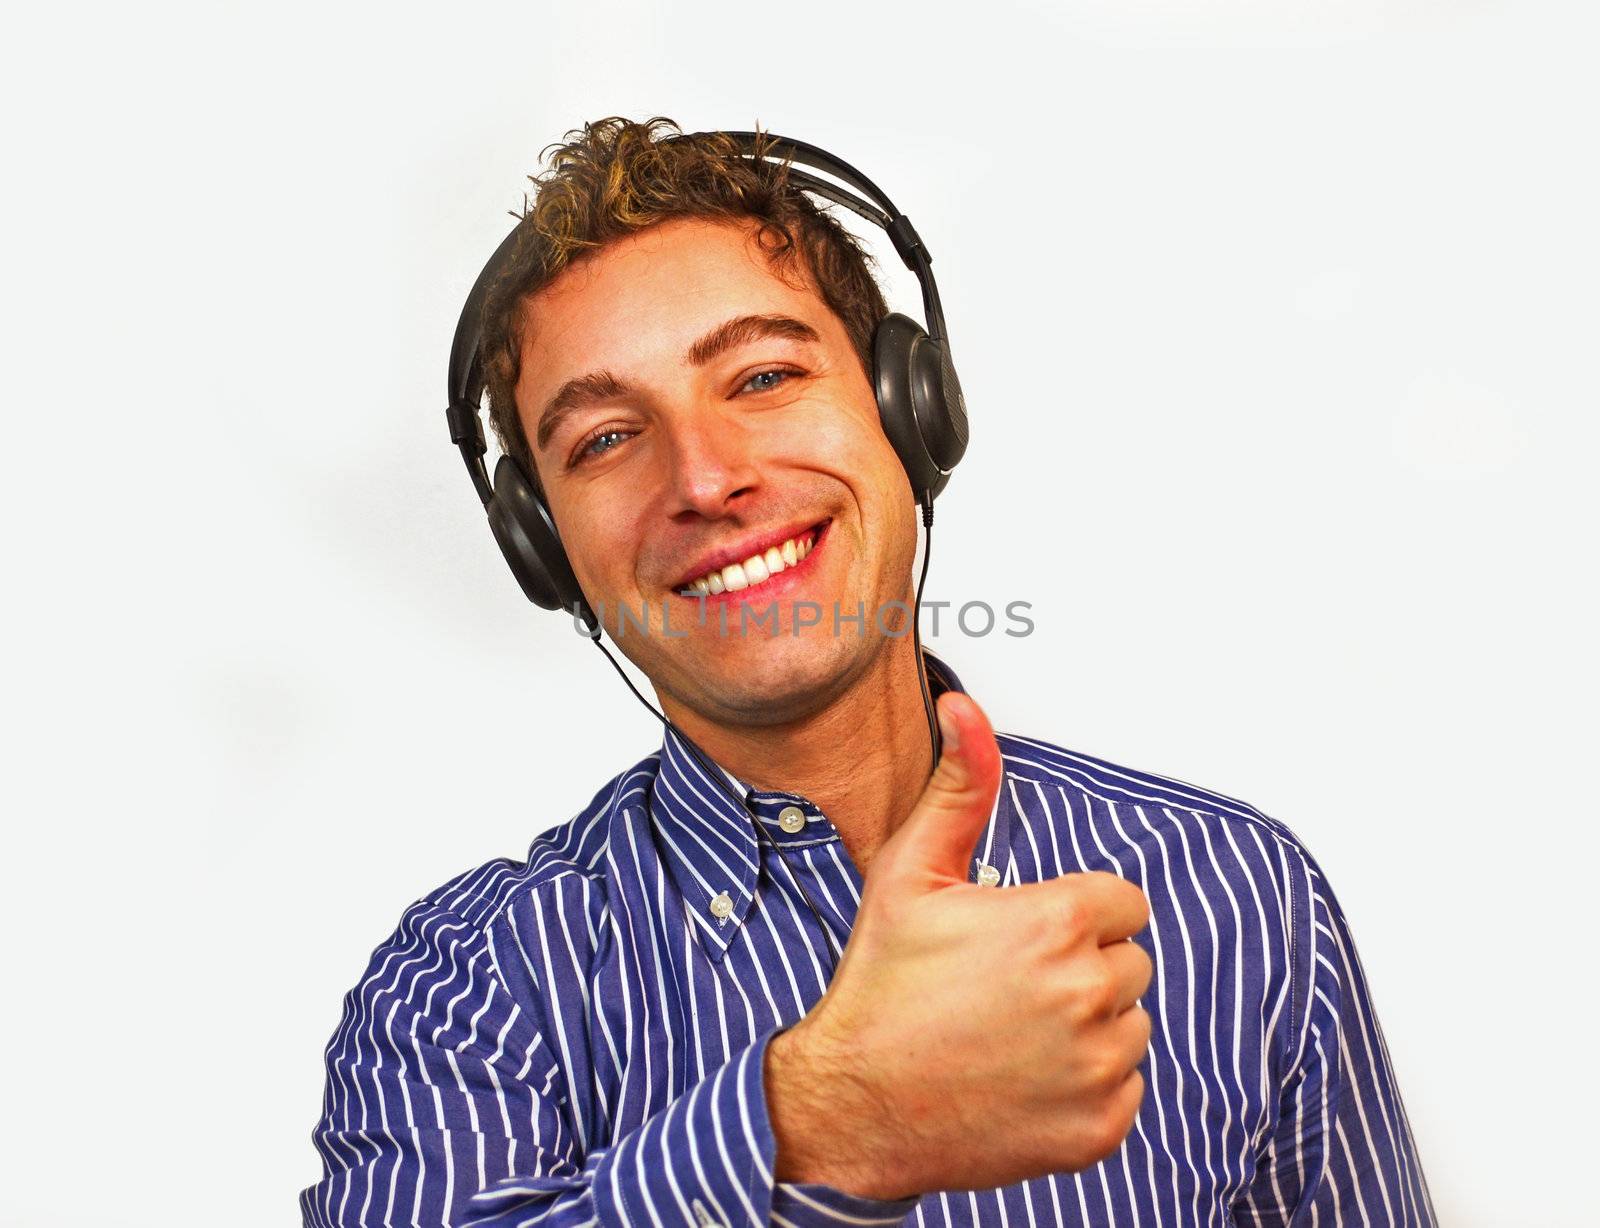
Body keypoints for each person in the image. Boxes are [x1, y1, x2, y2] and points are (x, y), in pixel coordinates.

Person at [300, 117, 1435, 1227]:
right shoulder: (463, 996)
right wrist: (821, 1127)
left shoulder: (1233, 889)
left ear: (909, 410)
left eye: (760, 378)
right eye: (604, 438)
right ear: (544, 549)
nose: (704, 477)